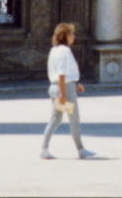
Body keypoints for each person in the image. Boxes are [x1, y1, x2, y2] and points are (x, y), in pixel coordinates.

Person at [41, 22, 96, 159]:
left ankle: (44, 148)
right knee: (74, 119)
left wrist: (75, 84)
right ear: (65, 35)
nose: (74, 36)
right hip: (64, 88)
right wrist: (64, 94)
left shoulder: (54, 50)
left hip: (55, 87)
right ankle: (81, 149)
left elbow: (62, 73)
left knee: (56, 119)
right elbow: (62, 73)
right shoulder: (65, 51)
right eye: (71, 33)